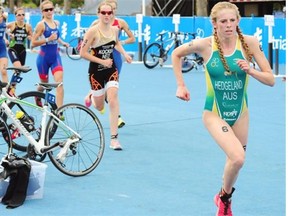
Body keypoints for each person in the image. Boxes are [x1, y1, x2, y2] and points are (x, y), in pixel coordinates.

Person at [171, 2, 275, 216]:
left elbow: (271, 79)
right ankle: (224, 199)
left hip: (241, 113)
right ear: (214, 23)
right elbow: (176, 54)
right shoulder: (205, 45)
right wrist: (181, 84)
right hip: (214, 112)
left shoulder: (249, 44)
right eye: (223, 21)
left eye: (232, 20)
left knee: (235, 162)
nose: (228, 25)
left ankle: (223, 197)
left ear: (238, 22)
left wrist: (251, 71)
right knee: (238, 157)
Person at [80, 1, 132, 150]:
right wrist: (101, 60)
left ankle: (114, 139)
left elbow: (116, 43)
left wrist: (125, 54)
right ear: (98, 14)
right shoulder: (92, 31)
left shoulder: (115, 30)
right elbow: (82, 53)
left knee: (114, 97)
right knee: (99, 105)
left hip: (111, 69)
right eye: (104, 13)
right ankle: (91, 97)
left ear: (113, 14)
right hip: (96, 72)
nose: (107, 15)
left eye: (109, 13)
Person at [31, 0, 69, 110]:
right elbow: (33, 43)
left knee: (59, 83)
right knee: (44, 83)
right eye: (46, 10)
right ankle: (37, 95)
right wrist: (47, 39)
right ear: (42, 12)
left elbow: (56, 37)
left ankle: (59, 111)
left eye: (51, 9)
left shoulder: (56, 23)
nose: (49, 12)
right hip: (43, 58)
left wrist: (63, 43)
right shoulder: (41, 25)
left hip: (55, 57)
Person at [6, 7, 33, 94]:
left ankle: (11, 89)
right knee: (18, 67)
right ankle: (11, 91)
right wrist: (9, 33)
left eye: (23, 15)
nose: (21, 16)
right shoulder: (12, 24)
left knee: (18, 72)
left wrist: (30, 37)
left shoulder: (28, 26)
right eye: (19, 15)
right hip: (13, 49)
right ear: (15, 16)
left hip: (22, 51)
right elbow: (3, 27)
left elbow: (32, 37)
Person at [0, 6, 9, 83]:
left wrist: (6, 38)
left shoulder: (5, 20)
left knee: (4, 71)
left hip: (2, 48)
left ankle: (6, 92)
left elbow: (4, 31)